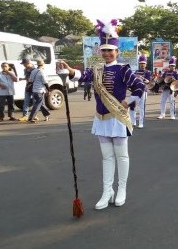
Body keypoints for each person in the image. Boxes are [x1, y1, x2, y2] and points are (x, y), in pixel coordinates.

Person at [62, 18, 145, 209]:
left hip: (117, 118)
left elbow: (139, 85)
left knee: (121, 156)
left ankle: (121, 188)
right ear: (100, 51)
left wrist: (129, 100)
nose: (107, 53)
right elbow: (83, 77)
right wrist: (70, 71)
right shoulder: (96, 68)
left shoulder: (123, 69)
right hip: (101, 118)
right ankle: (107, 191)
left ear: (117, 51)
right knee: (106, 157)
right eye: (104, 50)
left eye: (110, 50)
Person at [130, 54, 151, 129]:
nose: (142, 65)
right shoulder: (136, 71)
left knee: (141, 107)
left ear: (146, 64)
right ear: (139, 64)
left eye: (143, 64)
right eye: (141, 63)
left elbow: (148, 81)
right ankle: (133, 122)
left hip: (143, 91)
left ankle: (141, 123)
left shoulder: (148, 72)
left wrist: (141, 78)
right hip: (135, 90)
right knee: (132, 106)